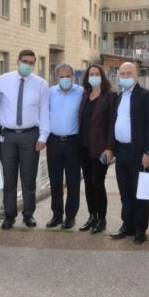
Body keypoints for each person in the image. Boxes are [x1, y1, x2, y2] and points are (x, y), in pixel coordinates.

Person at [0, 49, 49, 229]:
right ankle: (9, 215)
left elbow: (44, 111)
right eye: (25, 61)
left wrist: (43, 136)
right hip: (8, 136)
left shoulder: (41, 84)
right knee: (9, 178)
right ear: (18, 61)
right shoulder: (3, 80)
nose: (28, 65)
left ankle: (28, 214)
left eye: (31, 63)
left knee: (29, 178)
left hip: (30, 136)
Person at [111, 62, 149, 244]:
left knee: (140, 192)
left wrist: (148, 152)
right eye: (122, 73)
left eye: (128, 73)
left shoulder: (146, 97)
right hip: (121, 151)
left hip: (139, 153)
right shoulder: (118, 97)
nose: (125, 76)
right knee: (125, 191)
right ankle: (127, 225)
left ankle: (140, 229)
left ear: (136, 74)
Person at [78, 64, 116, 233]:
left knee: (97, 182)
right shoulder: (84, 95)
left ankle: (102, 218)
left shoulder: (110, 97)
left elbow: (112, 124)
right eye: (91, 74)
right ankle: (92, 216)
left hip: (101, 149)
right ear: (87, 78)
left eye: (96, 74)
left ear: (102, 76)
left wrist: (109, 147)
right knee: (88, 182)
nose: (93, 76)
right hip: (83, 146)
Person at [46, 63, 84, 229]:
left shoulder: (81, 92)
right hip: (53, 141)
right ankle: (57, 215)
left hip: (73, 142)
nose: (65, 79)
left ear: (73, 76)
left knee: (73, 181)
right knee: (55, 181)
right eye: (61, 77)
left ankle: (70, 216)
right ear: (57, 77)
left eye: (68, 76)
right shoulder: (50, 92)